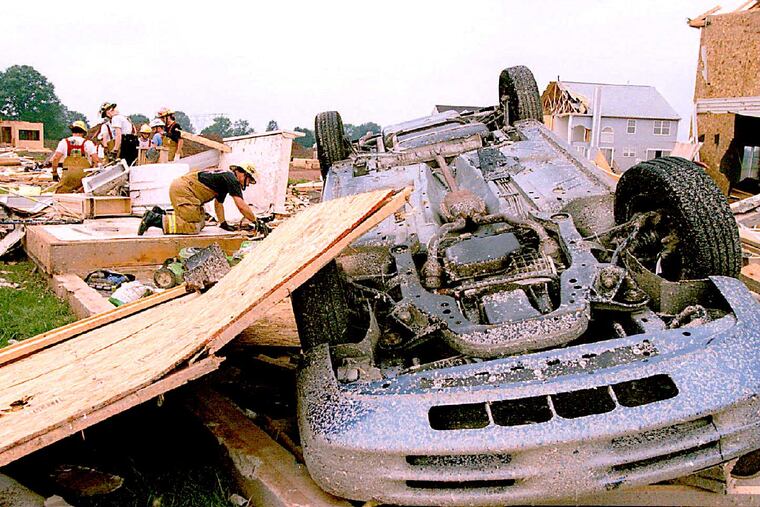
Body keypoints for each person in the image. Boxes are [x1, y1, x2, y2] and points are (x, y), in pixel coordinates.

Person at [138, 163, 260, 235]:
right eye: (249, 180)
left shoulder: (225, 177)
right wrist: (256, 221)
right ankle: (154, 219)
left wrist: (223, 224)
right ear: (243, 173)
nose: (248, 184)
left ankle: (160, 212)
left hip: (183, 189)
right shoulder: (232, 180)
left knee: (201, 221)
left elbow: (218, 204)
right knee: (193, 227)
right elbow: (241, 205)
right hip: (184, 191)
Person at [48, 121, 101, 193]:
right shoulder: (88, 143)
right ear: (83, 132)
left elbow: (56, 158)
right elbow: (96, 160)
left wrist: (54, 173)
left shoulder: (64, 142)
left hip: (68, 174)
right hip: (83, 175)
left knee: (61, 195)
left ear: (72, 130)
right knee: (81, 196)